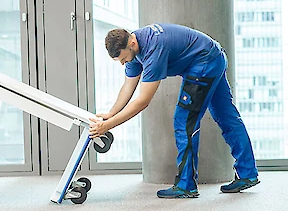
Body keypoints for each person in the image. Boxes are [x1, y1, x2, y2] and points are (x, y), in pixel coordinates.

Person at [90, 23, 259, 199]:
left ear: (131, 43)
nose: (124, 63)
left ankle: (186, 185)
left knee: (184, 120)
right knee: (226, 116)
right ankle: (248, 173)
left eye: (123, 59)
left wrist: (108, 125)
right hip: (214, 56)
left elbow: (142, 101)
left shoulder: (153, 48)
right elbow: (128, 86)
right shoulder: (133, 51)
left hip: (205, 62)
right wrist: (111, 114)